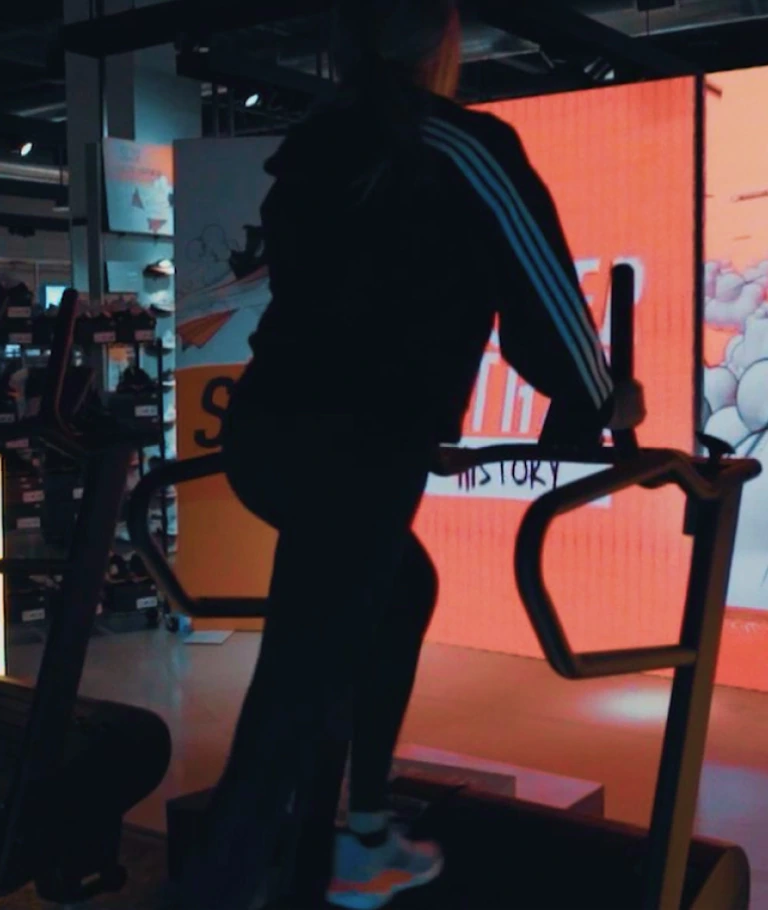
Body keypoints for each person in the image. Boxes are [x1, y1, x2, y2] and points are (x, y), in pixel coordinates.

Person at [175, 1, 645, 908]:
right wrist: (602, 397)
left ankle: (357, 831)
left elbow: (338, 303)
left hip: (274, 431)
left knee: (396, 593)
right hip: (355, 449)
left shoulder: (319, 146)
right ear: (443, 42)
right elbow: (545, 302)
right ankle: (254, 879)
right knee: (290, 697)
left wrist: (415, 425)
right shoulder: (464, 147)